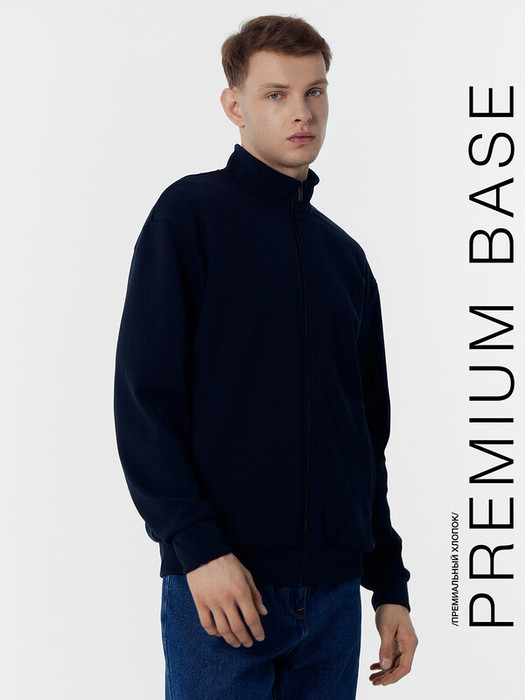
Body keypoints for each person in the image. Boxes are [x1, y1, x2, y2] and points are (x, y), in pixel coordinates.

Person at [113, 14, 418, 699]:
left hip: (334, 603)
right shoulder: (188, 217)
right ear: (235, 105)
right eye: (276, 94)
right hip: (225, 592)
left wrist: (388, 585)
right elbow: (145, 403)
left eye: (315, 92)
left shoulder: (344, 258)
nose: (301, 112)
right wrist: (199, 550)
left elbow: (363, 437)